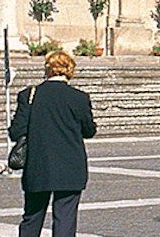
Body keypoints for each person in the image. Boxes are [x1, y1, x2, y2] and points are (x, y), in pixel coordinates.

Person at [8, 49, 96, 237]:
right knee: (65, 218)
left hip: (38, 165)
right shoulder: (79, 98)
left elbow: (16, 132)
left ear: (47, 69)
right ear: (70, 70)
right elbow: (89, 131)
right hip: (70, 165)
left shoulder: (29, 95)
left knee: (32, 218)